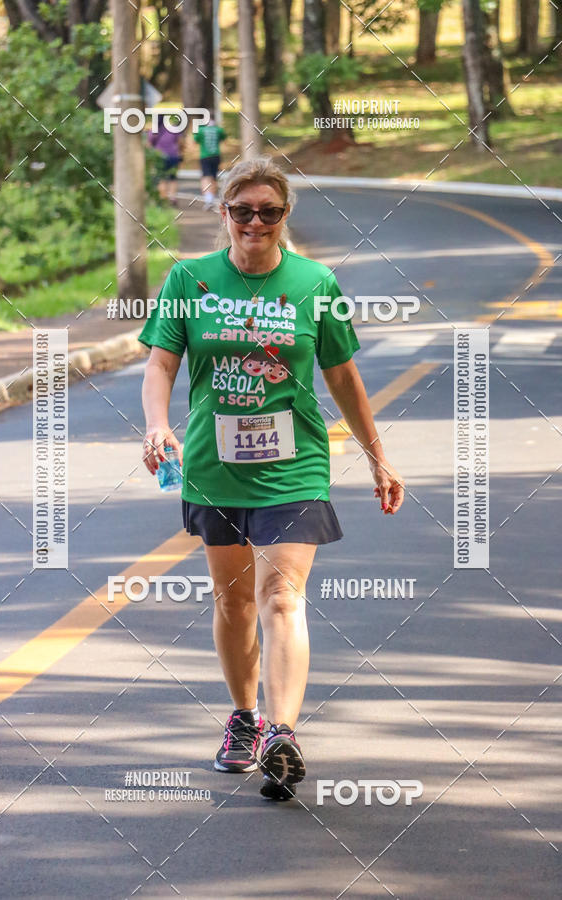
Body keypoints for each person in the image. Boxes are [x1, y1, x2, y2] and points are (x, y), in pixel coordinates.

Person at [139, 157, 404, 802]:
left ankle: (283, 735)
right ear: (224, 212)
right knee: (233, 602)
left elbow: (342, 375)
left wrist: (377, 455)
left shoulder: (315, 283)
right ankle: (245, 718)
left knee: (281, 596)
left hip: (295, 465)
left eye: (269, 211)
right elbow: (161, 365)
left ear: (285, 215)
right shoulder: (189, 280)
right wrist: (156, 425)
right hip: (213, 465)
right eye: (242, 211)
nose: (255, 222)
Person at [147, 120, 183, 208]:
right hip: (173, 156)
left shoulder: (154, 129)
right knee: (173, 178)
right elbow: (179, 142)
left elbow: (149, 144)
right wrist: (179, 152)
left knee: (161, 178)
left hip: (160, 156)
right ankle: (173, 198)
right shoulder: (174, 128)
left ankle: (163, 198)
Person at [193, 113, 226, 210]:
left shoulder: (201, 130)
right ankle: (212, 199)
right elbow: (223, 138)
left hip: (205, 156)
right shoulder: (218, 130)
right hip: (216, 156)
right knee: (214, 178)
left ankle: (208, 199)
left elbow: (195, 141)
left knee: (206, 177)